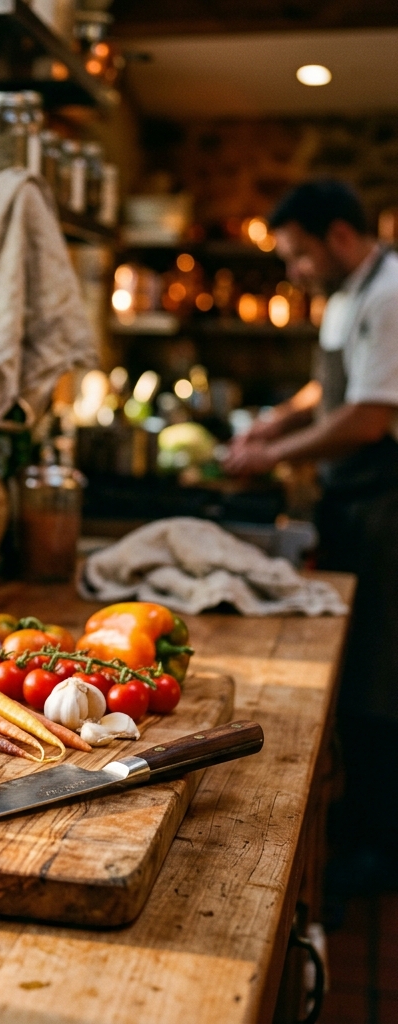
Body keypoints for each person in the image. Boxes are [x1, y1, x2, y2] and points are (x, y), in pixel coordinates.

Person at [224, 180, 398, 892]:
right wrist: (279, 420)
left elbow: (368, 416)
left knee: (383, 672)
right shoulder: (350, 290)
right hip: (353, 495)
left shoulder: (391, 296)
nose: (293, 271)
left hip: (388, 498)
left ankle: (379, 849)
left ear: (340, 236)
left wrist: (271, 457)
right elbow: (328, 388)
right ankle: (362, 825)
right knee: (358, 661)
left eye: (298, 256)